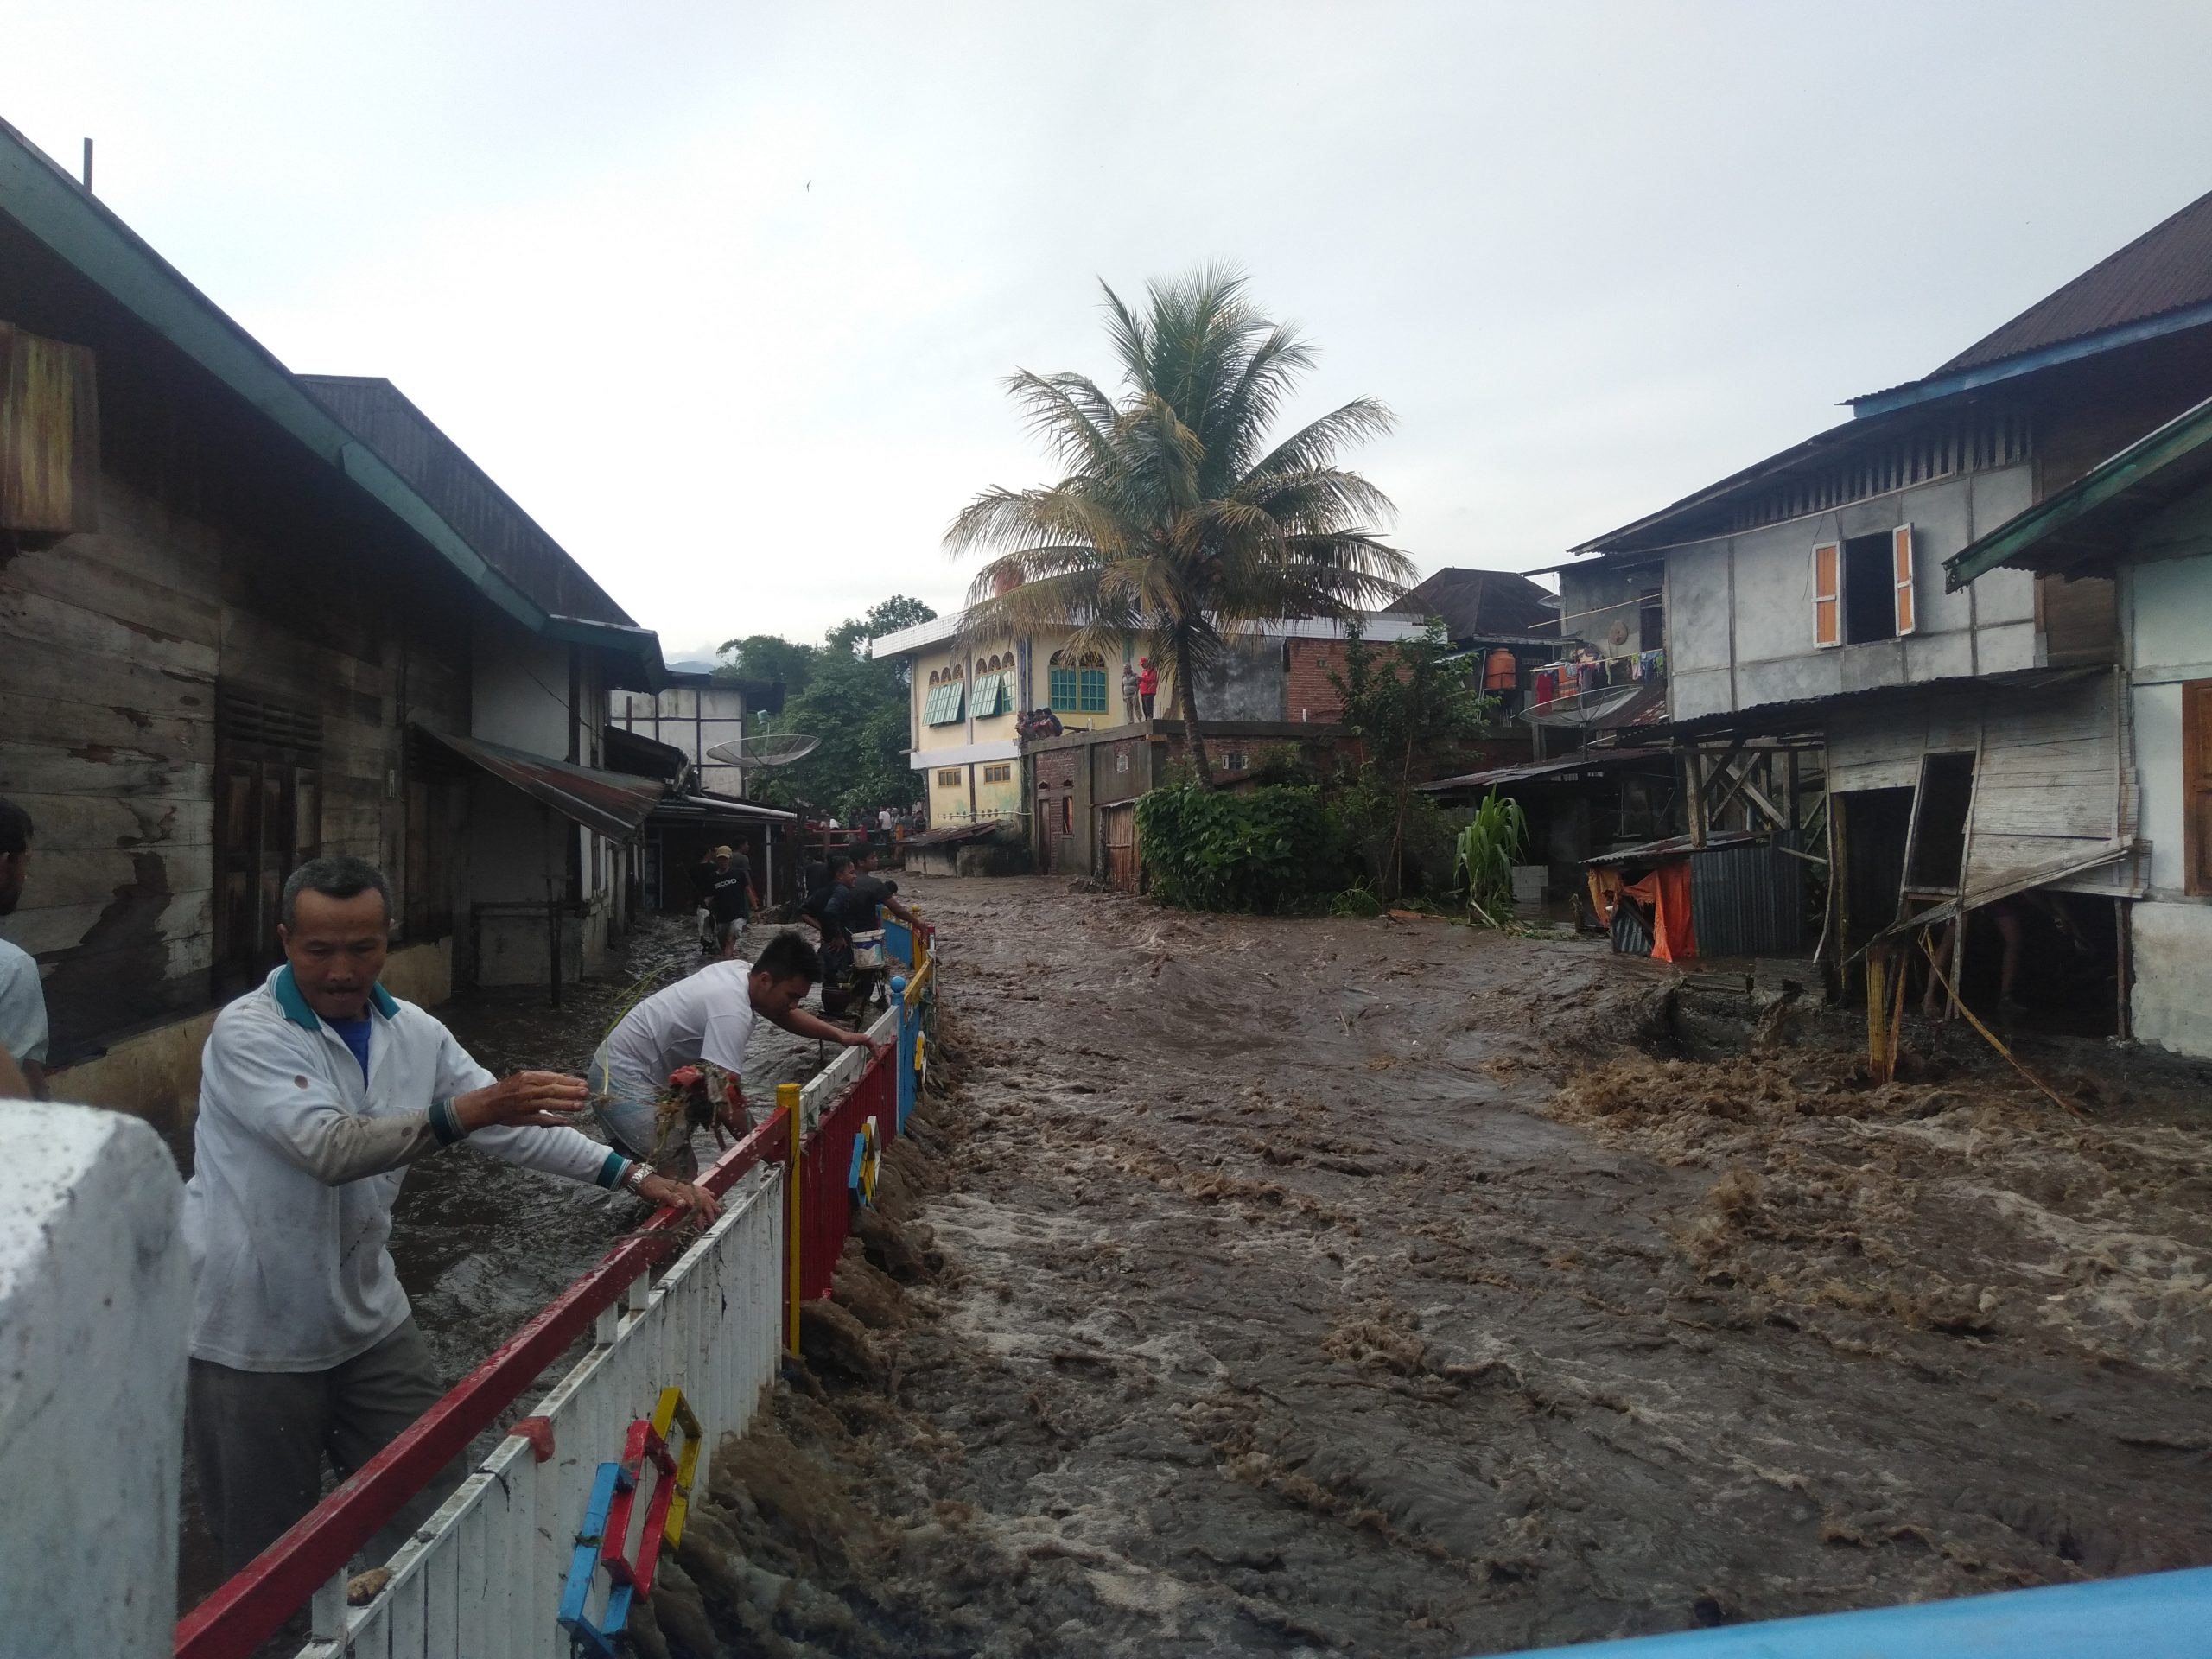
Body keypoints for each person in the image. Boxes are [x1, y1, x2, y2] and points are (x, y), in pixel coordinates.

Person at [183, 855, 717, 1577]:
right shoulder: (248, 1033)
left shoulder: (416, 1033)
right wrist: (473, 1108)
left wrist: (633, 1173)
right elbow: (331, 1148)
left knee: (439, 1506)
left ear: (388, 939)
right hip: (252, 1330)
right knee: (268, 1563)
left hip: (369, 1316)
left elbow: (510, 1125)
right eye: (319, 950)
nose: (342, 969)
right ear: (285, 941)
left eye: (362, 947)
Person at [590, 929, 884, 1173]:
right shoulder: (731, 1010)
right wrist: (776, 1156)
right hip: (620, 1080)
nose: (795, 1005)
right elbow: (726, 1098)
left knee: (655, 1168)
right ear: (766, 979)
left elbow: (783, 1014)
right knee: (682, 1174)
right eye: (792, 996)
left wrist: (840, 1035)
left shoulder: (741, 973)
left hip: (629, 1071)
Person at [0, 799, 48, 1100]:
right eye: (23, 861)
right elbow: (23, 1095)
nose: (24, 876)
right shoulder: (11, 966)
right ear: (4, 862)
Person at [706, 844, 759, 958]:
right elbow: (709, 896)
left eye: (725, 858)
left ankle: (727, 965)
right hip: (721, 916)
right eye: (720, 858)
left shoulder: (738, 874)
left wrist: (756, 908)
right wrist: (703, 907)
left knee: (730, 939)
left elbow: (748, 890)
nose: (722, 861)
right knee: (723, 944)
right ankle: (728, 959)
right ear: (717, 859)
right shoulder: (712, 877)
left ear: (730, 859)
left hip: (738, 914)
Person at [688, 847, 720, 955]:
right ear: (709, 853)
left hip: (699, 900)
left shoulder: (693, 869)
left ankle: (705, 943)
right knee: (714, 924)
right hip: (713, 899)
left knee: (702, 923)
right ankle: (714, 945)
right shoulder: (714, 868)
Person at [1137, 657, 1159, 721]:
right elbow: (1143, 680)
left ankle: (1150, 717)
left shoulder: (1152, 670)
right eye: (1141, 665)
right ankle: (1147, 718)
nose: (1142, 666)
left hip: (1149, 691)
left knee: (1148, 705)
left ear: (1147, 663)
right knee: (1144, 707)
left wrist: (1142, 679)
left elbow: (1151, 680)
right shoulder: (1144, 671)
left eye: (1143, 664)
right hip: (1143, 692)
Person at [1122, 660, 1141, 724]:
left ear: (1130, 668)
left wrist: (1136, 693)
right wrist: (1123, 695)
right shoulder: (1123, 677)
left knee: (1136, 707)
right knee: (1129, 709)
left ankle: (1139, 719)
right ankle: (1131, 721)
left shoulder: (1135, 675)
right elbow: (1122, 686)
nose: (1125, 670)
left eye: (1126, 668)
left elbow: (1138, 684)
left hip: (1133, 694)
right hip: (1127, 695)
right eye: (1124, 668)